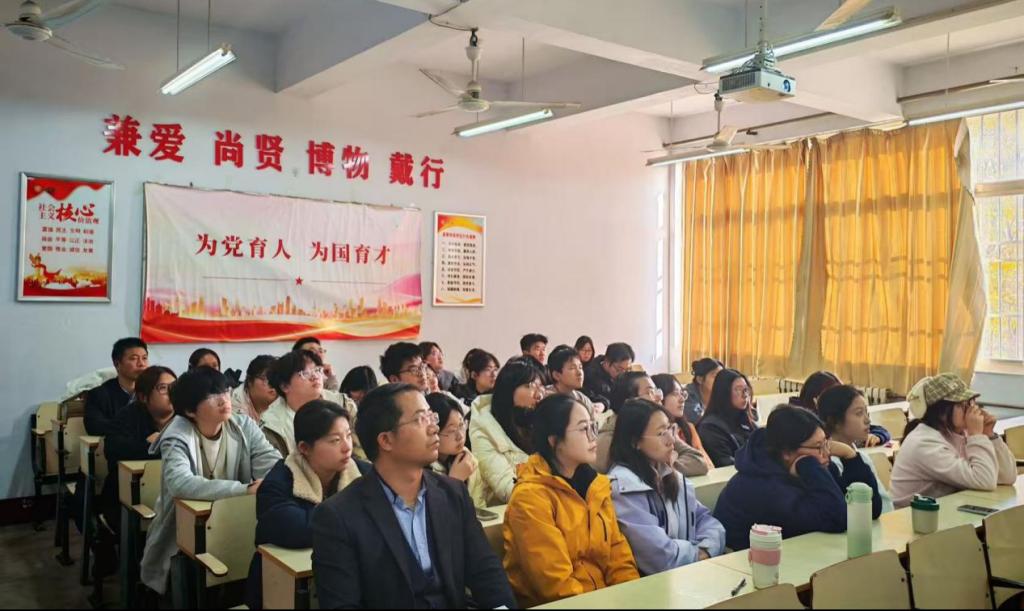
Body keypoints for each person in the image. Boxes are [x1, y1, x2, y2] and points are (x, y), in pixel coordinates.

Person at [311, 384, 517, 609]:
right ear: (386, 440)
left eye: (432, 416)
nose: (434, 428)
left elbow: (486, 572)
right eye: (421, 419)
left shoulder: (452, 493)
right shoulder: (338, 516)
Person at [140, 367, 280, 596]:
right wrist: (244, 490)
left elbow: (273, 465)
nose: (224, 399)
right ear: (189, 410)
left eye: (225, 391)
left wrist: (272, 482)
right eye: (211, 395)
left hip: (236, 519)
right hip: (184, 527)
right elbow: (180, 483)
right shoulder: (176, 434)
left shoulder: (243, 426)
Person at [503, 394, 639, 607]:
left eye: (593, 426)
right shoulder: (530, 499)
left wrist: (631, 597)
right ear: (554, 441)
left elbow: (618, 555)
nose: (593, 436)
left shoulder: (596, 486)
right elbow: (555, 585)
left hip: (605, 601)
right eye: (583, 429)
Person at [245, 400, 369, 609]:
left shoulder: (364, 474)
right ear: (304, 448)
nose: (347, 446)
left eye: (348, 435)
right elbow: (298, 529)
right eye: (335, 440)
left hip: (344, 580)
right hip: (280, 588)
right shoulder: (279, 482)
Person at [713, 406, 882, 551]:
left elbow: (868, 510)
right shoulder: (760, 486)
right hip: (751, 567)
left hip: (796, 554)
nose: (827, 453)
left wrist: (850, 456)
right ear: (787, 452)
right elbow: (837, 519)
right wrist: (810, 466)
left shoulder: (813, 464)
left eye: (826, 443)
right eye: (818, 446)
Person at [608, 399, 726, 575]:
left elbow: (708, 522)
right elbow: (660, 558)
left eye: (671, 429)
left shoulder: (670, 475)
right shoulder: (623, 488)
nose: (671, 440)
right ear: (635, 442)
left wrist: (706, 549)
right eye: (661, 433)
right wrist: (699, 554)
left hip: (686, 575)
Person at [890, 373, 1017, 508]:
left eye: (971, 402)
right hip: (910, 516)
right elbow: (985, 480)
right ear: (941, 412)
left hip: (943, 510)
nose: (971, 409)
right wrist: (977, 436)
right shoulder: (924, 443)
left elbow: (1007, 477)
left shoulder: (960, 433)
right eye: (962, 405)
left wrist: (989, 435)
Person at [101, 366, 177, 532]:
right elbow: (112, 449)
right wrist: (149, 445)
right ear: (143, 396)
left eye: (174, 387)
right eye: (163, 388)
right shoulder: (127, 416)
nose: (172, 393)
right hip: (127, 497)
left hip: (172, 498)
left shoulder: (184, 418)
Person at [597, 372, 709, 477]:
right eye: (650, 392)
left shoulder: (659, 427)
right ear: (630, 402)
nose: (659, 397)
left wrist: (663, 468)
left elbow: (698, 462)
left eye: (657, 391)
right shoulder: (607, 441)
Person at [469, 360, 544, 503]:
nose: (539, 394)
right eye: (530, 386)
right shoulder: (483, 429)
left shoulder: (537, 419)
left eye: (540, 386)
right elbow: (508, 487)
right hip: (510, 509)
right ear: (508, 391)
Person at [262, 350, 358, 458]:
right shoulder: (272, 426)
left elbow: (361, 451)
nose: (315, 376)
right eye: (305, 373)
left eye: (317, 370)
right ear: (285, 386)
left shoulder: (343, 403)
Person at [817, 385, 895, 513]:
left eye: (866, 412)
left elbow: (883, 504)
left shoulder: (862, 457)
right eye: (859, 413)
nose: (868, 420)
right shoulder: (828, 463)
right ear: (835, 421)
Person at [792, 371, 891, 447]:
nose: (867, 420)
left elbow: (878, 429)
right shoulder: (803, 429)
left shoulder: (844, 426)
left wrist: (877, 436)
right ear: (816, 400)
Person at [426, 393, 489, 508]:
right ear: (433, 432)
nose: (460, 436)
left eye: (461, 425)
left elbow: (479, 508)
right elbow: (435, 514)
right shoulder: (423, 469)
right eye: (451, 430)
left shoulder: (468, 459)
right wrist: (455, 480)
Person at [84, 337, 149, 436]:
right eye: (134, 358)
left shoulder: (152, 391)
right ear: (117, 364)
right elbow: (94, 427)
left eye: (144, 358)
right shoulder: (99, 394)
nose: (141, 364)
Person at [696, 369, 758, 467]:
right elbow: (725, 462)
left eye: (746, 390)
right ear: (724, 393)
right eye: (738, 390)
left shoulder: (745, 420)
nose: (745, 395)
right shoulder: (710, 427)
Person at [651, 374, 713, 470]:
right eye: (675, 394)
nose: (682, 399)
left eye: (682, 393)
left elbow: (707, 464)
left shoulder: (688, 427)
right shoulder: (654, 433)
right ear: (659, 397)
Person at [546, 345, 599, 415]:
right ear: (557, 375)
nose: (579, 373)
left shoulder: (582, 399)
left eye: (580, 367)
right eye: (572, 368)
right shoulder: (545, 398)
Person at [583, 342, 635, 408]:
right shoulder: (589, 375)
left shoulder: (625, 375)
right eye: (618, 369)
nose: (623, 374)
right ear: (607, 362)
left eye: (627, 370)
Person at [230, 355, 277, 425]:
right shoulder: (233, 408)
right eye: (266, 380)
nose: (273, 385)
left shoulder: (282, 402)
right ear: (250, 381)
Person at [683, 358, 723, 424]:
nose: (721, 380)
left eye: (722, 376)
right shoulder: (687, 396)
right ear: (700, 379)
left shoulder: (723, 394)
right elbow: (702, 422)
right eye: (716, 376)